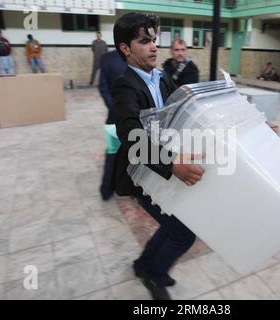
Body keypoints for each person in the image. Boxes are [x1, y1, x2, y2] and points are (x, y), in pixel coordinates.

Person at [112, 12, 205, 300]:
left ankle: (143, 265)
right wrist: (171, 164)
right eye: (144, 41)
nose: (154, 46)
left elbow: (186, 109)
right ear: (126, 49)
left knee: (172, 224)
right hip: (142, 175)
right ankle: (153, 276)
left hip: (160, 170)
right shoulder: (125, 85)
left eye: (154, 40)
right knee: (183, 232)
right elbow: (131, 135)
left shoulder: (162, 78)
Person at [98, 50, 127, 201]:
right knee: (113, 151)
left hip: (136, 115)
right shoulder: (107, 58)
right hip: (115, 116)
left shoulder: (141, 54)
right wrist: (115, 107)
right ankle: (107, 188)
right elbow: (103, 87)